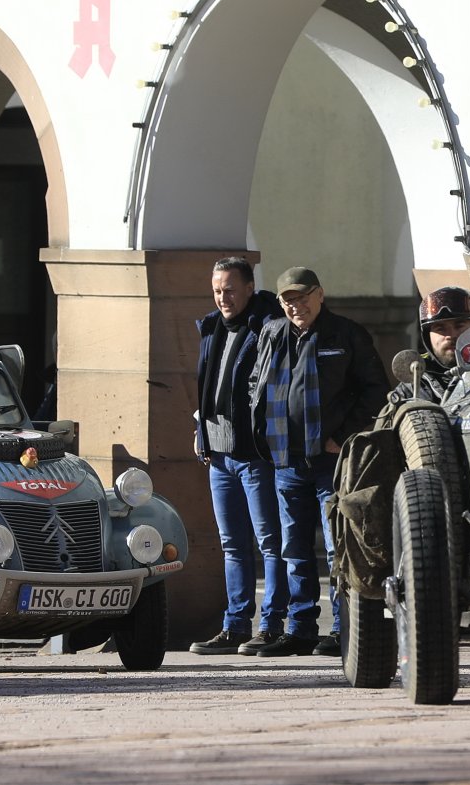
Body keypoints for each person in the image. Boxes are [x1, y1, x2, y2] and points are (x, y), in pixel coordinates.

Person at [248, 267, 386, 657]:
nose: (296, 306)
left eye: (303, 297)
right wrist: (265, 432)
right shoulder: (272, 333)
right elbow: (255, 382)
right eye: (288, 300)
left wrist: (341, 438)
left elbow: (376, 390)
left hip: (332, 463)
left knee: (337, 548)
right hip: (286, 461)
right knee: (294, 550)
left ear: (320, 295)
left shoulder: (346, 334)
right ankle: (301, 629)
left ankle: (342, 629)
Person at [188, 258, 286, 655]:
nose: (223, 297)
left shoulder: (268, 326)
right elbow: (209, 387)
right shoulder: (212, 327)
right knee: (232, 544)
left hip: (255, 454)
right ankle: (235, 626)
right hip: (218, 455)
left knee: (270, 542)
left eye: (229, 289)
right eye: (217, 290)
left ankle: (272, 625)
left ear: (249, 288)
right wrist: (200, 429)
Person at [390, 286, 470, 404]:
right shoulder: (414, 385)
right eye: (440, 328)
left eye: (459, 326)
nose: (451, 335)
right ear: (427, 337)